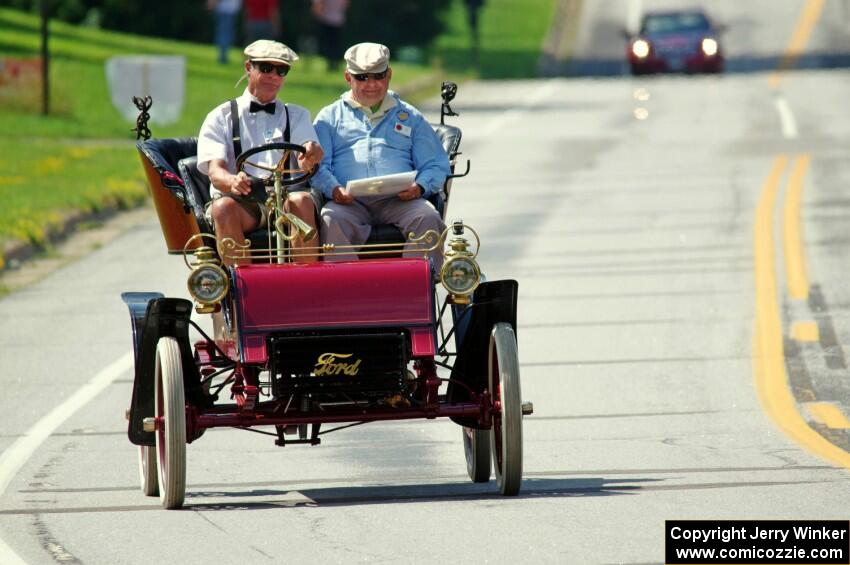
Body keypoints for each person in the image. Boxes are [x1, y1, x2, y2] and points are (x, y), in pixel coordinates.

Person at [311, 42, 450, 270]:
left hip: (399, 200)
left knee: (428, 217)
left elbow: (435, 164)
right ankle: (345, 289)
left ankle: (414, 287)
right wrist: (334, 189)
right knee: (330, 218)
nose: (371, 84)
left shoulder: (409, 115)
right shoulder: (329, 117)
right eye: (362, 77)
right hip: (348, 202)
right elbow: (317, 166)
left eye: (378, 76)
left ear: (389, 75)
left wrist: (420, 187)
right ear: (348, 77)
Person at [197, 40, 324, 265]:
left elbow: (308, 154)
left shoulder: (296, 115)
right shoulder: (221, 116)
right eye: (266, 68)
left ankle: (307, 286)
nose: (274, 76)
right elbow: (215, 172)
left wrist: (310, 155)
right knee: (222, 207)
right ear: (249, 68)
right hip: (243, 202)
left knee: (302, 200)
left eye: (281, 70)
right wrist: (233, 181)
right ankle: (243, 290)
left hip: (285, 199)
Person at [311, 0, 349, 71]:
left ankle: (331, 62)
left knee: (329, 44)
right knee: (335, 44)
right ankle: (334, 62)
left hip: (327, 20)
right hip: (338, 20)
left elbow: (317, 5)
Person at [208, 0, 243, 64]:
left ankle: (223, 55)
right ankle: (223, 56)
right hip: (226, 11)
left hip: (228, 11)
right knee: (224, 34)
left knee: (225, 34)